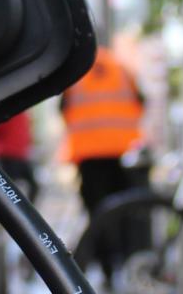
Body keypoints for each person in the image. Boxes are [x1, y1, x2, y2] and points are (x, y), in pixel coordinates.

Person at [61, 46, 146, 275]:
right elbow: (140, 102)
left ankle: (108, 268)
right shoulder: (121, 68)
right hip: (122, 152)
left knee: (98, 213)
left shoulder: (76, 71)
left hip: (89, 155)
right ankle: (126, 264)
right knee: (123, 210)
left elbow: (64, 109)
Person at [0, 110, 36, 198]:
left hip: (20, 155)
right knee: (9, 189)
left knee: (31, 186)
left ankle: (22, 209)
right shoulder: (3, 113)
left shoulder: (21, 112)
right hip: (7, 156)